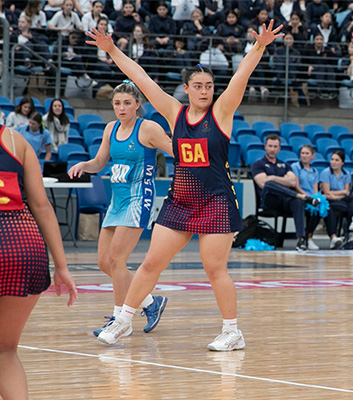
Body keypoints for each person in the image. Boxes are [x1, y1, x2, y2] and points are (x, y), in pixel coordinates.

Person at [87, 20, 284, 350]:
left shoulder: (221, 112)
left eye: (209, 85)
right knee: (150, 264)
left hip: (216, 201)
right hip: (180, 201)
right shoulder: (174, 113)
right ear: (187, 89)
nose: (205, 90)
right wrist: (112, 50)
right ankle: (123, 319)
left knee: (214, 269)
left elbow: (241, 77)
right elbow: (141, 78)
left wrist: (259, 46)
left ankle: (232, 331)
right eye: (198, 85)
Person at [68, 81, 173, 338]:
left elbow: (178, 151)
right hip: (117, 201)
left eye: (127, 103)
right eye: (117, 103)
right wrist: (84, 164)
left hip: (139, 199)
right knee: (105, 262)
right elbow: (100, 162)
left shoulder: (148, 128)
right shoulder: (110, 128)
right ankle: (149, 302)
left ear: (138, 105)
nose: (121, 108)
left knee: (117, 260)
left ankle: (120, 320)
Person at [0, 123, 77, 400]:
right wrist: (62, 266)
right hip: (24, 246)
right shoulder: (15, 139)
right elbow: (42, 205)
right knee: (5, 351)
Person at [252, 134, 321, 251]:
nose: (272, 149)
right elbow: (263, 184)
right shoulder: (258, 165)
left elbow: (293, 182)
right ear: (265, 147)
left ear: (279, 149)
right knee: (269, 184)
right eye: (270, 146)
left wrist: (273, 177)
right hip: (269, 200)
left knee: (297, 201)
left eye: (275, 147)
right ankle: (302, 196)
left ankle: (300, 240)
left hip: (284, 200)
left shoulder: (285, 165)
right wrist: (281, 180)